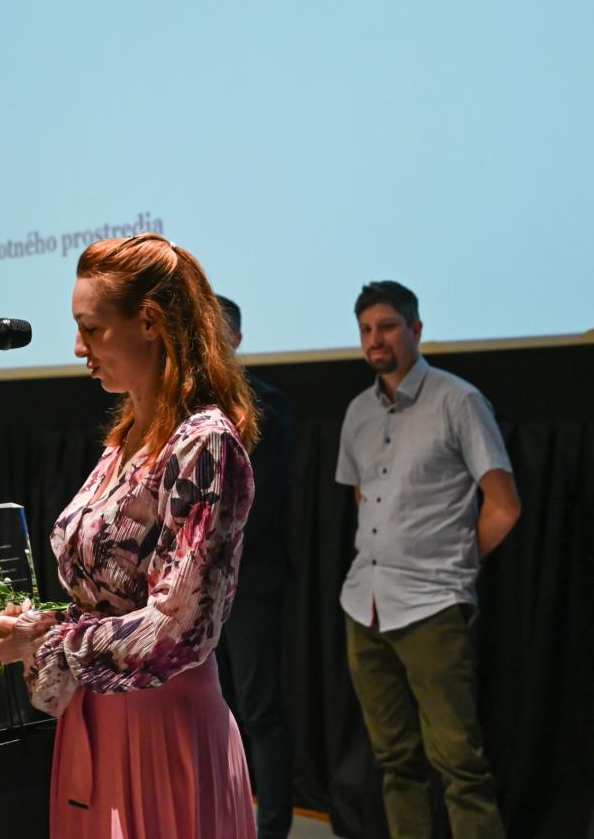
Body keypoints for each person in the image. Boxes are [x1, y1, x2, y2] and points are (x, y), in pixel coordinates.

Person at [0, 233, 260, 839]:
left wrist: (47, 645)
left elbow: (179, 629)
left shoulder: (203, 442)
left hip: (164, 735)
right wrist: (32, 628)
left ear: (149, 322)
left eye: (92, 329)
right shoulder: (125, 438)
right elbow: (105, 602)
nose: (80, 348)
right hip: (97, 722)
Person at [335, 280, 521, 839]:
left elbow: (504, 505)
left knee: (459, 763)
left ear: (415, 329)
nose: (375, 339)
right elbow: (363, 494)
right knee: (395, 760)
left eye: (387, 326)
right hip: (364, 604)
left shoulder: (457, 400)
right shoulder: (357, 411)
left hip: (432, 605)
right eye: (366, 330)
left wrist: (455, 562)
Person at [214, 295, 295, 839]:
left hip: (248, 582)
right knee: (207, 708)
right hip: (192, 587)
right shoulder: (179, 406)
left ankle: (271, 828)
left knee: (258, 710)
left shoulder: (265, 405)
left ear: (236, 339)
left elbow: (258, 503)